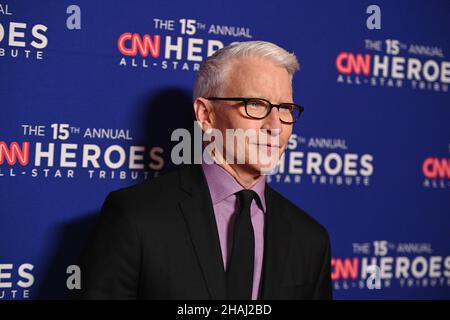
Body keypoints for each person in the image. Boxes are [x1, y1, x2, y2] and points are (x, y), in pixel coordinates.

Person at [77, 41, 332, 300]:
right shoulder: (135, 216)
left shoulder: (310, 239)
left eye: (285, 109)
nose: (275, 125)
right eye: (255, 104)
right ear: (206, 115)